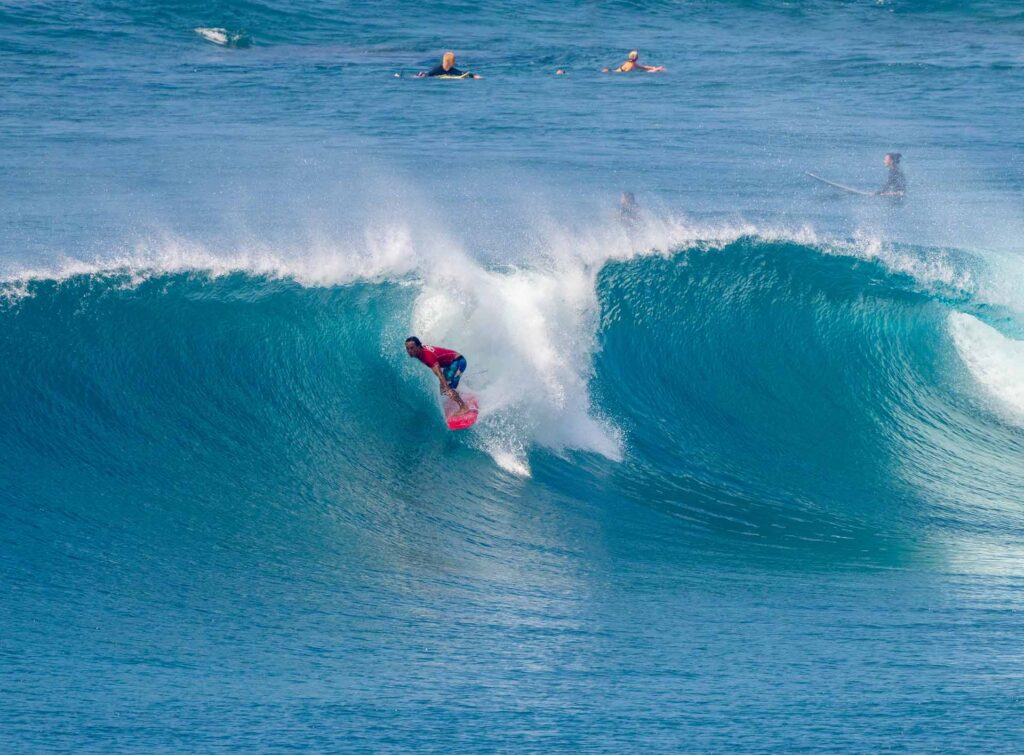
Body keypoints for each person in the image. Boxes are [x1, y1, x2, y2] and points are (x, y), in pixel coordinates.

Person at [405, 336, 471, 415]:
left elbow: (439, 374)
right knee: (443, 390)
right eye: (408, 348)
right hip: (450, 364)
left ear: (419, 346)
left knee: (447, 388)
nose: (409, 351)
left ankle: (463, 407)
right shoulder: (420, 351)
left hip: (458, 362)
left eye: (412, 348)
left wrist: (447, 388)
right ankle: (459, 396)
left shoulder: (427, 357)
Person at [416, 51, 481, 79]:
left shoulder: (452, 70)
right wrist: (422, 75)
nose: (455, 63)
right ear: (449, 62)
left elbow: (461, 73)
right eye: (453, 61)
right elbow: (429, 74)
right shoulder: (437, 69)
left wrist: (473, 75)